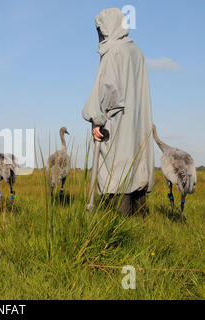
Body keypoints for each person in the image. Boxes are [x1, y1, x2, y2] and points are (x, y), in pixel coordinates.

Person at [82, 8, 155, 216]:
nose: (100, 35)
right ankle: (140, 222)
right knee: (135, 164)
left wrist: (96, 118)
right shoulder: (137, 52)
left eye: (101, 29)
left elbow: (105, 89)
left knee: (118, 168)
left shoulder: (113, 53)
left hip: (118, 122)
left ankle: (119, 228)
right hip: (137, 122)